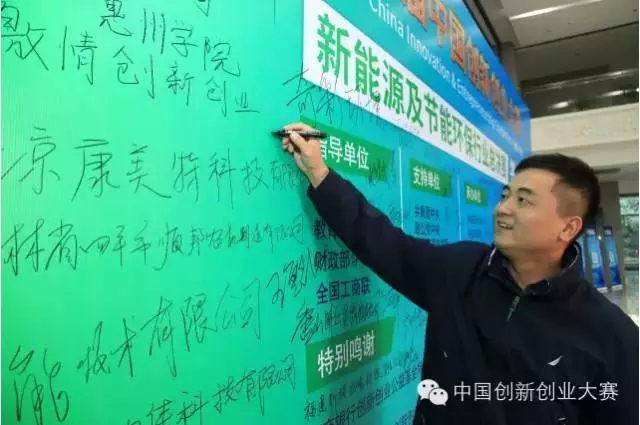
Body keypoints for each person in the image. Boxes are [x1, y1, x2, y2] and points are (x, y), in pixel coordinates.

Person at [278, 122, 639, 425]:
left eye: (524, 200)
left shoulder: (612, 336)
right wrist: (319, 173)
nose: (503, 209)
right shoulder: (461, 270)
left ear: (568, 228)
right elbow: (383, 243)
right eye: (506, 195)